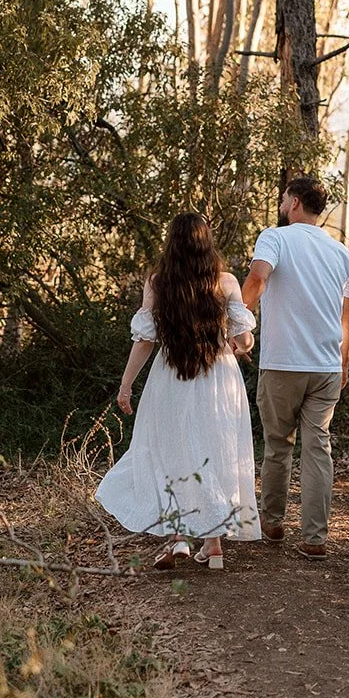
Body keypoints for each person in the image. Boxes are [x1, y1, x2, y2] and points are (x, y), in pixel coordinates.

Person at [95, 213, 260, 571]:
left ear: (172, 243)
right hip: (219, 379)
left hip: (171, 378)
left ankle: (179, 538)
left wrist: (125, 386)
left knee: (171, 452)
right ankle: (213, 545)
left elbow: (144, 342)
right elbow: (244, 338)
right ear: (206, 243)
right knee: (215, 453)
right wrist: (237, 343)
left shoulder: (158, 283)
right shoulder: (226, 282)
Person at [241, 176, 349, 560]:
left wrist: (237, 325)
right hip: (325, 366)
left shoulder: (274, 238)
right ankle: (314, 539)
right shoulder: (342, 253)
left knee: (277, 446)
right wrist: (342, 362)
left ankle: (273, 523)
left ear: (293, 203)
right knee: (318, 448)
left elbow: (258, 277)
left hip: (282, 364)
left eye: (283, 199)